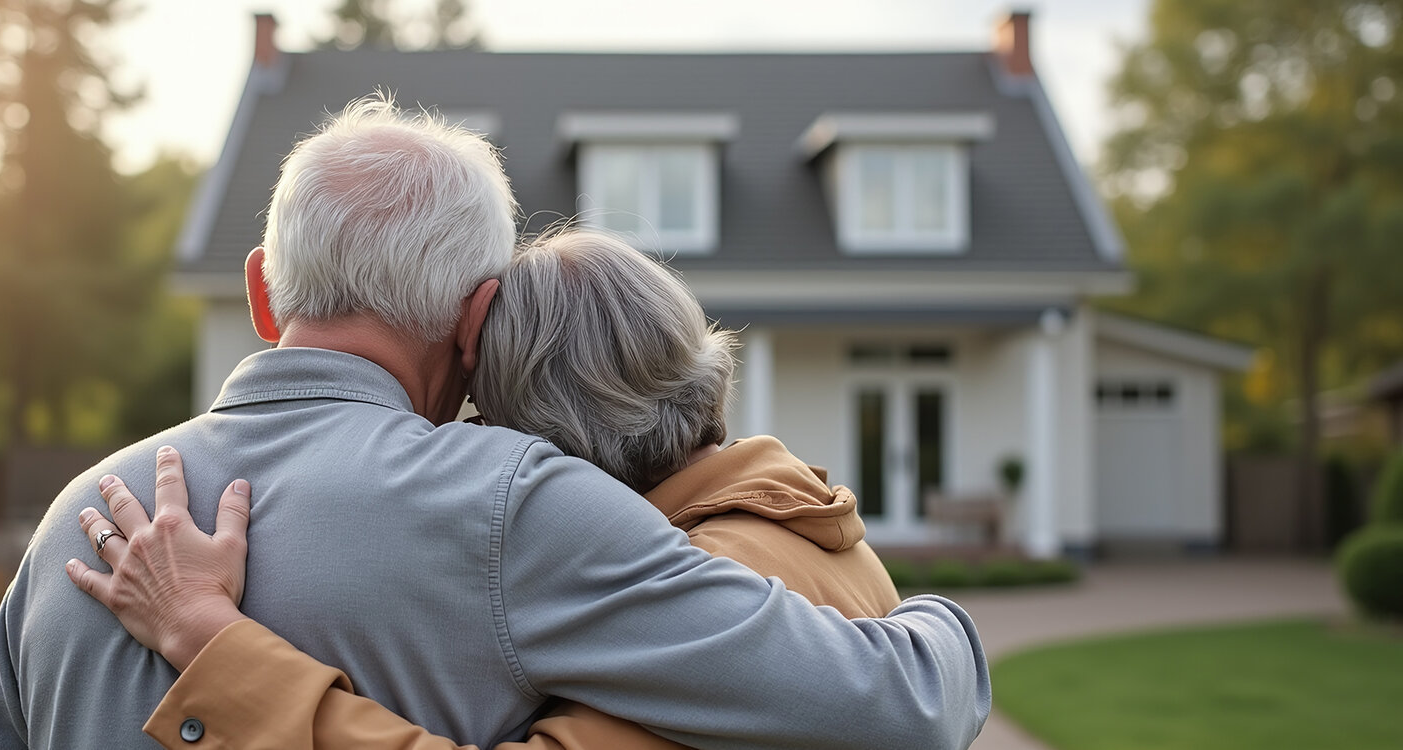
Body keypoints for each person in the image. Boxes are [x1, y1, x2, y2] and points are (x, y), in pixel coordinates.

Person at [0, 95, 988, 750]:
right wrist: (942, 623)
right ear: (477, 320)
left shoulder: (70, 526)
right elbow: (889, 706)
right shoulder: (512, 503)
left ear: (263, 295)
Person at [70, 229, 947, 750]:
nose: (471, 443)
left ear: (543, 436)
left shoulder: (701, 586)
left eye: (480, 418)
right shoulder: (795, 514)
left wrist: (212, 644)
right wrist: (938, 623)